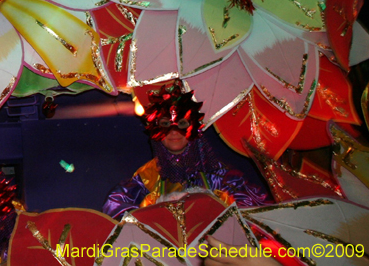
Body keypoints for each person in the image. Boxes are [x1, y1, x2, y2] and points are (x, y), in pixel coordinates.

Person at [103, 81, 269, 219]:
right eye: (166, 124)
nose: (174, 131)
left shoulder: (221, 177)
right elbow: (118, 213)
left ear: (194, 127)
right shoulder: (146, 178)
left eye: (182, 124)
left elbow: (253, 214)